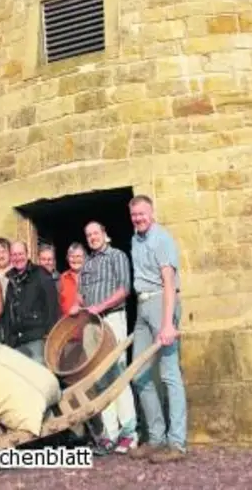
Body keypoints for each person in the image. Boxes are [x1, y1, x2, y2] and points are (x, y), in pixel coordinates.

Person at [126, 196, 186, 463]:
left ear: (152, 213)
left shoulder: (162, 238)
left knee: (169, 374)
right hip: (142, 306)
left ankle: (177, 443)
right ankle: (156, 437)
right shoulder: (134, 239)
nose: (138, 218)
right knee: (139, 374)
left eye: (142, 214)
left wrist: (167, 323)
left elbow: (169, 281)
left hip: (163, 302)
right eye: (134, 215)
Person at [74, 221, 138, 454]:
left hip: (112, 319)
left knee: (117, 373)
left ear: (105, 234)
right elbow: (81, 296)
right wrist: (77, 305)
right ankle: (110, 434)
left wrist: (99, 307)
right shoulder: (87, 263)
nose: (92, 238)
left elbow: (124, 290)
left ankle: (129, 433)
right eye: (88, 235)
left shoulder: (117, 255)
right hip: (91, 325)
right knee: (99, 378)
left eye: (95, 233)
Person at [0, 241, 59, 365]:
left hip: (37, 338)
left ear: (27, 255)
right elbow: (8, 312)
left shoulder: (41, 274)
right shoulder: (12, 280)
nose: (18, 258)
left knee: (38, 373)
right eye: (14, 255)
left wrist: (50, 335)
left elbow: (52, 306)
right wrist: (7, 339)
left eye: (20, 254)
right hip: (16, 341)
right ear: (10, 257)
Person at [58, 242, 84, 316]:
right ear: (67, 258)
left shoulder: (92, 276)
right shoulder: (62, 278)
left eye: (78, 256)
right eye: (72, 256)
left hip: (89, 322)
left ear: (84, 257)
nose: (75, 259)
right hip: (68, 324)